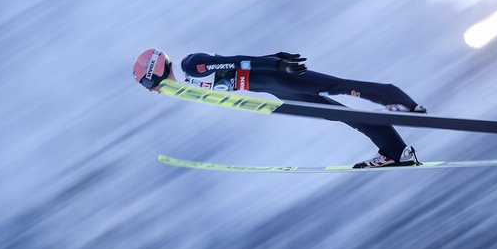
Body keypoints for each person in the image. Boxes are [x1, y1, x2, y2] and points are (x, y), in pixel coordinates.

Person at [133, 48, 427, 168]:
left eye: (150, 85)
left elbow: (238, 62)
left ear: (155, 71)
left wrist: (277, 62)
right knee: (345, 117)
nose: (154, 92)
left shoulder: (189, 67)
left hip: (277, 77)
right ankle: (396, 152)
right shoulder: (184, 88)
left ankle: (399, 100)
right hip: (273, 89)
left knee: (338, 86)